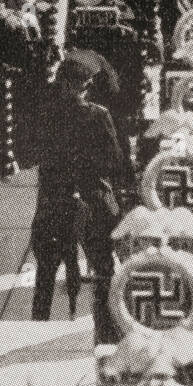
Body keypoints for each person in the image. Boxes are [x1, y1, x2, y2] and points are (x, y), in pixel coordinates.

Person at [30, 55, 125, 341]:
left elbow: (33, 153)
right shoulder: (98, 115)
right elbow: (114, 161)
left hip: (53, 200)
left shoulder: (45, 113)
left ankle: (37, 330)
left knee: (45, 272)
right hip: (92, 199)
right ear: (86, 86)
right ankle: (106, 334)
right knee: (105, 271)